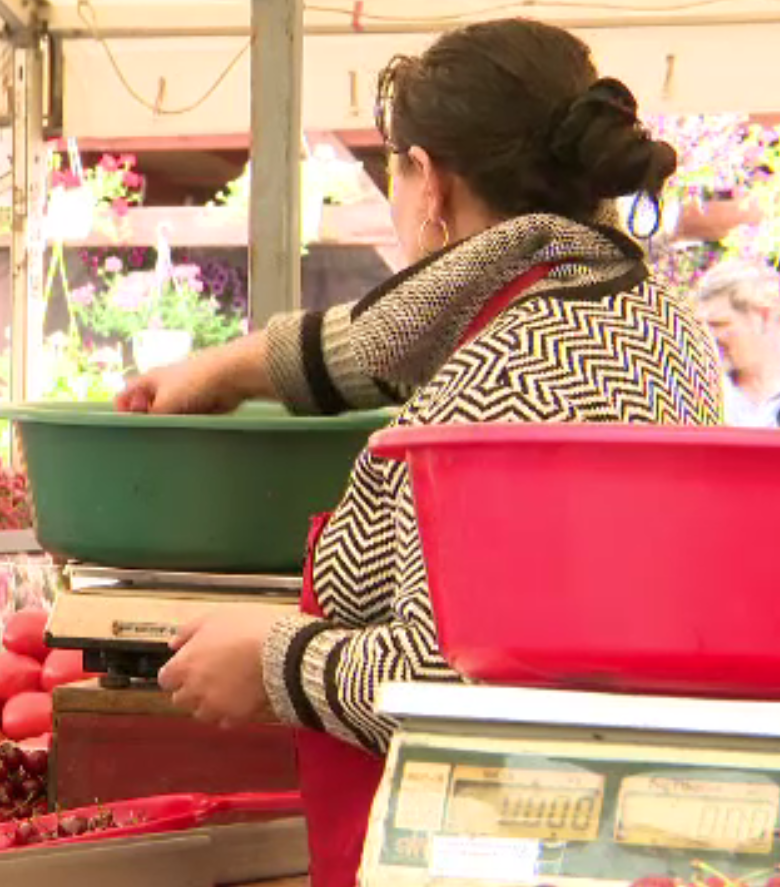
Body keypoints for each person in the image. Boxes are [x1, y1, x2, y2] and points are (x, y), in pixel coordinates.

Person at [118, 19, 723, 887]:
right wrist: (226, 368)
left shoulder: (504, 385)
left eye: (391, 166)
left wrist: (273, 658)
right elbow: (400, 330)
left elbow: (468, 687)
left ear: (426, 180)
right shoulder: (649, 314)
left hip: (520, 848)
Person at [692, 260, 780, 427]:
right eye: (702, 327)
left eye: (718, 324)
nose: (708, 337)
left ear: (763, 316)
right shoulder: (700, 396)